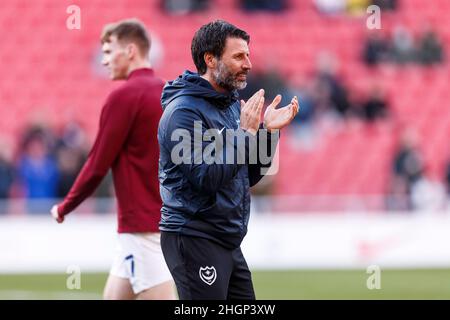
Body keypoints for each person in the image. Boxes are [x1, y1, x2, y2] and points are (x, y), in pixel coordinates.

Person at [158, 20, 299, 299]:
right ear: (210, 59)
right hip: (194, 235)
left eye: (247, 55)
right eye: (238, 56)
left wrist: (267, 133)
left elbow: (246, 176)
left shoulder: (231, 104)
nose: (248, 63)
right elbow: (206, 178)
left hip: (226, 239)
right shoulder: (182, 114)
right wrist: (245, 134)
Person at [50, 19, 175, 300]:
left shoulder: (123, 96)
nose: (104, 61)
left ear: (130, 51)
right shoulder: (170, 92)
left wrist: (65, 206)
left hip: (143, 228)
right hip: (162, 220)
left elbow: (97, 164)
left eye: (108, 52)